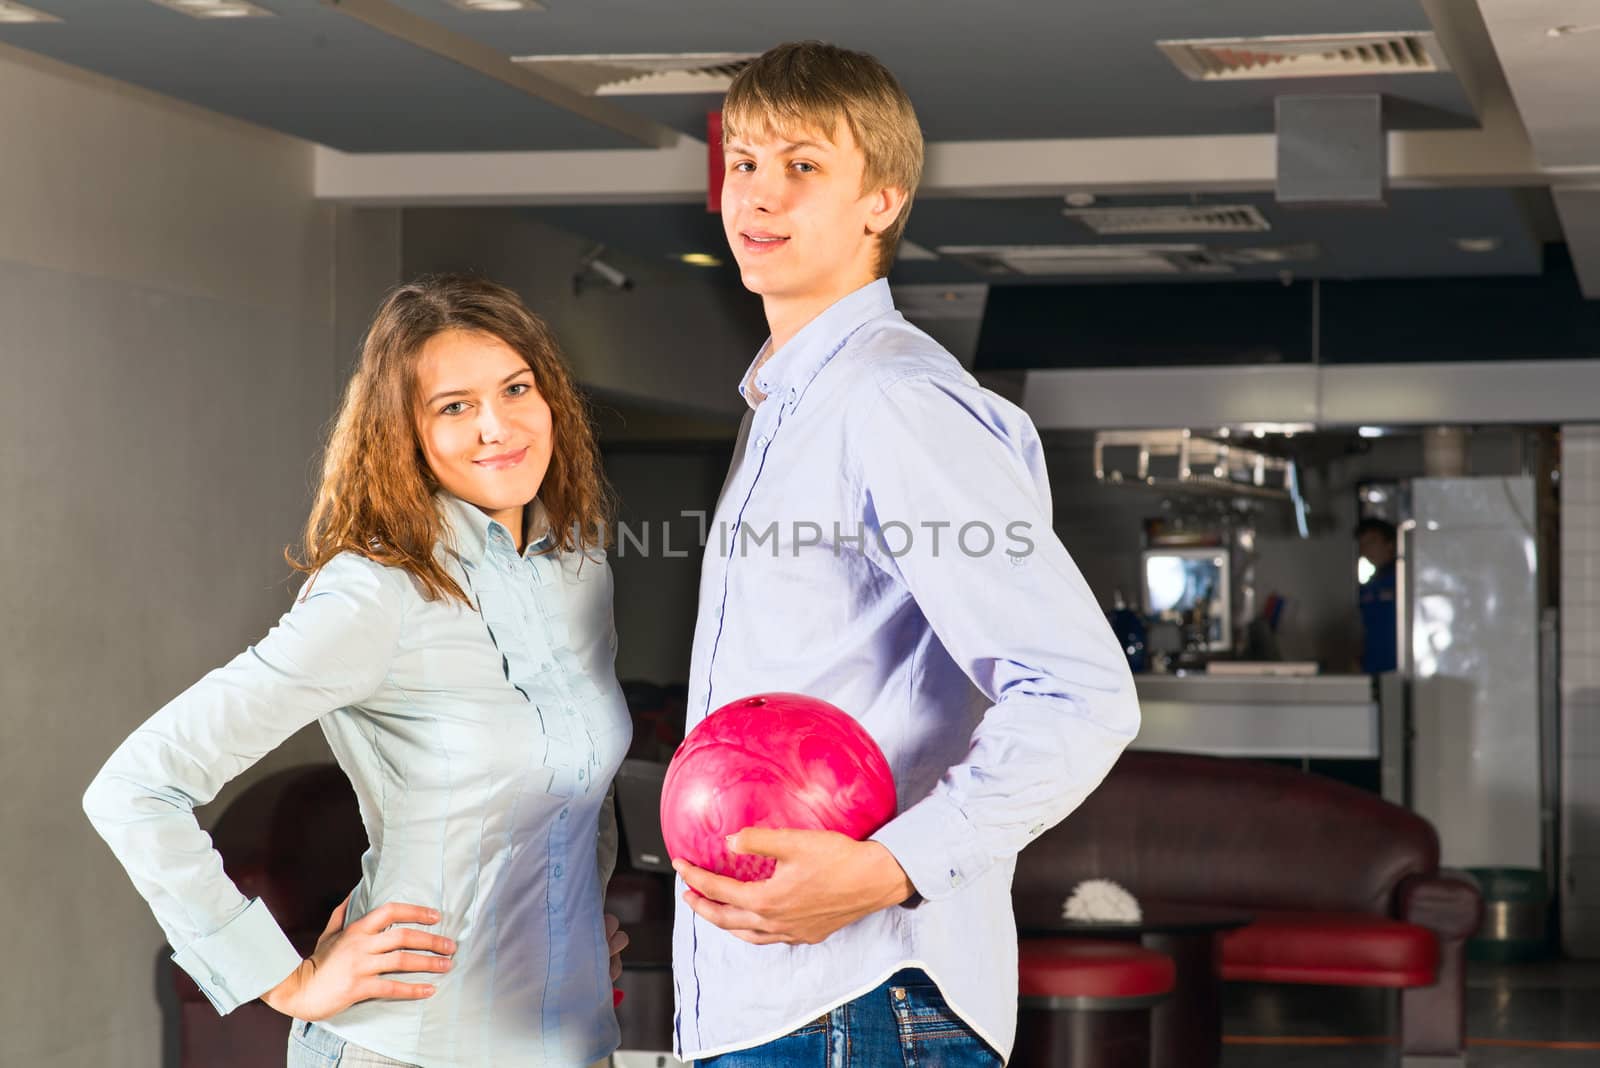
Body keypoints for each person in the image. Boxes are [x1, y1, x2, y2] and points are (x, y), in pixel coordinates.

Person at [670, 41, 1141, 1066]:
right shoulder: (792, 404)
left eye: (802, 166)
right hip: (779, 1000)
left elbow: (1080, 695)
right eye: (743, 162)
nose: (757, 194)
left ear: (880, 199)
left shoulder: (892, 400)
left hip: (860, 1001)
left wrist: (890, 869)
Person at [84, 276, 632, 1068]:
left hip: (578, 1046)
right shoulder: (375, 593)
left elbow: (581, 780)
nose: (497, 426)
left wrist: (577, 925)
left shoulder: (579, 571)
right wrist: (284, 978)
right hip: (410, 1049)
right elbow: (134, 788)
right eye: (454, 406)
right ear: (403, 432)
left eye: (517, 388)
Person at [1356, 517, 1400, 674]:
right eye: (1363, 543)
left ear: (1390, 545)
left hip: (1399, 668)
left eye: (1372, 542)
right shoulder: (1367, 588)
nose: (1366, 549)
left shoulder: (1403, 582)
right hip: (1372, 668)